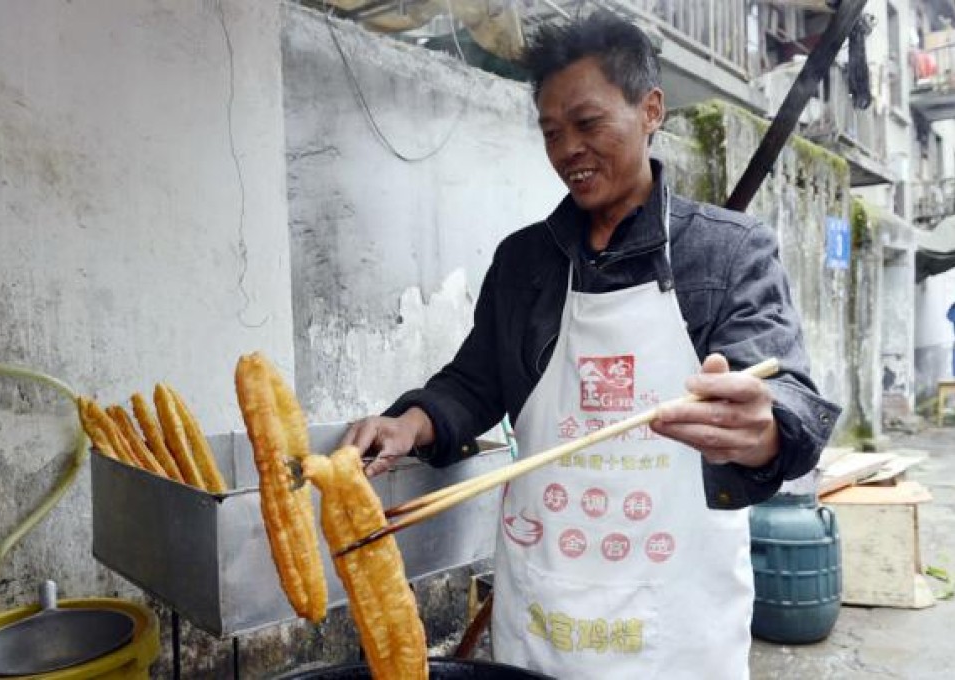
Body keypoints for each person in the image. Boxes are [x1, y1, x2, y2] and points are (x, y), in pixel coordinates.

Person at [343, 13, 840, 678]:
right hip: (547, 598)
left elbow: (788, 396)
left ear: (650, 110)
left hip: (676, 620)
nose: (567, 148)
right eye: (551, 132)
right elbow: (476, 379)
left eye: (587, 123)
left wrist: (763, 428)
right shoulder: (525, 261)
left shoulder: (727, 252)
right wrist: (410, 422)